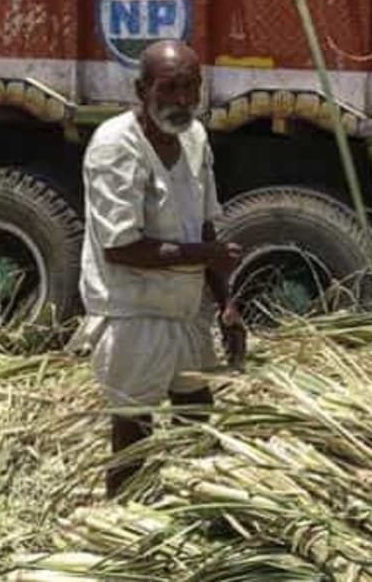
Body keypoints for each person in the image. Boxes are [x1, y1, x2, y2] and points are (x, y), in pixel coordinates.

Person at [75, 39, 245, 498]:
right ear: (141, 88)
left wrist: (226, 300)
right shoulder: (115, 147)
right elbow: (121, 248)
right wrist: (206, 258)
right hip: (134, 311)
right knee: (135, 431)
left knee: (198, 415)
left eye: (192, 88)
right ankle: (124, 520)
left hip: (185, 308)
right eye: (170, 88)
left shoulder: (194, 138)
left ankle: (201, 506)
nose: (183, 101)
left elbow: (205, 225)